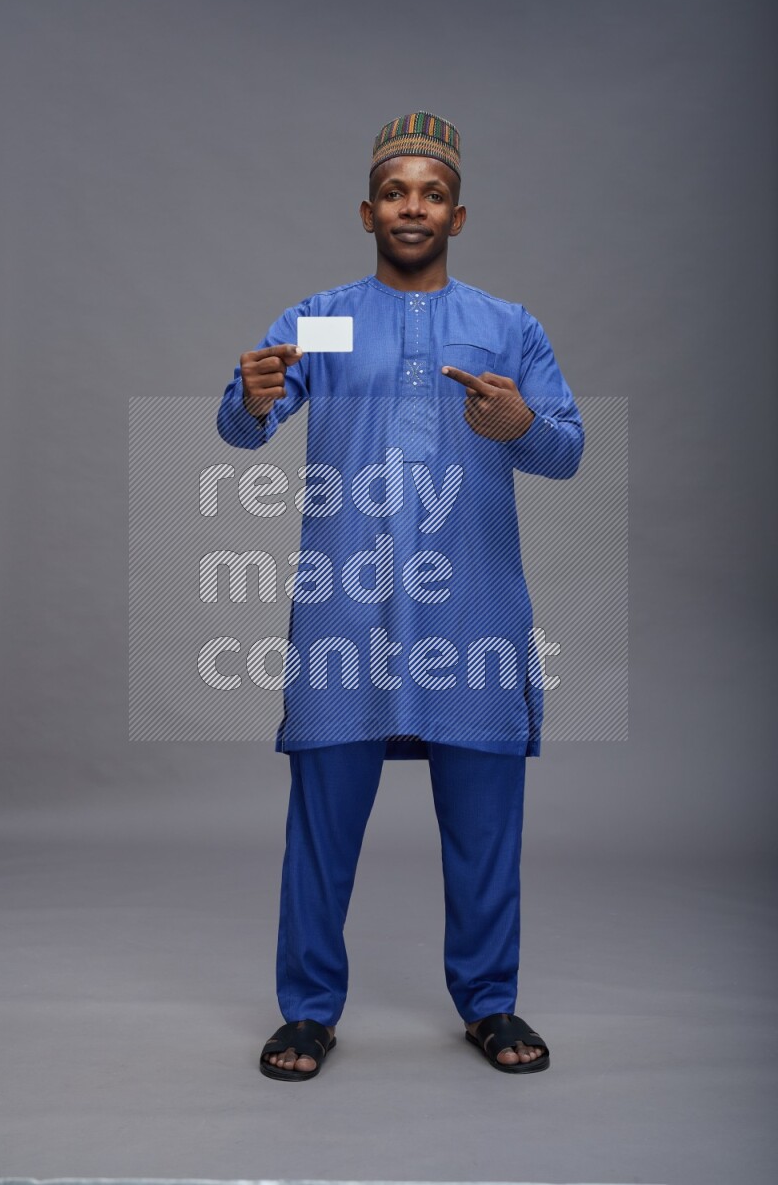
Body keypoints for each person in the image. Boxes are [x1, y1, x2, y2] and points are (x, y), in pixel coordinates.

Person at [216, 111, 584, 1079]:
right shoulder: (326, 317)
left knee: (483, 821)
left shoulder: (506, 326)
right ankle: (306, 1011)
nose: (409, 206)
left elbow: (567, 446)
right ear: (366, 210)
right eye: (393, 191)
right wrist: (253, 396)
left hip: (470, 614)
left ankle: (489, 1002)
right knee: (321, 823)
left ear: (456, 214)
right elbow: (248, 420)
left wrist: (517, 425)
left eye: (428, 192)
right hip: (348, 611)